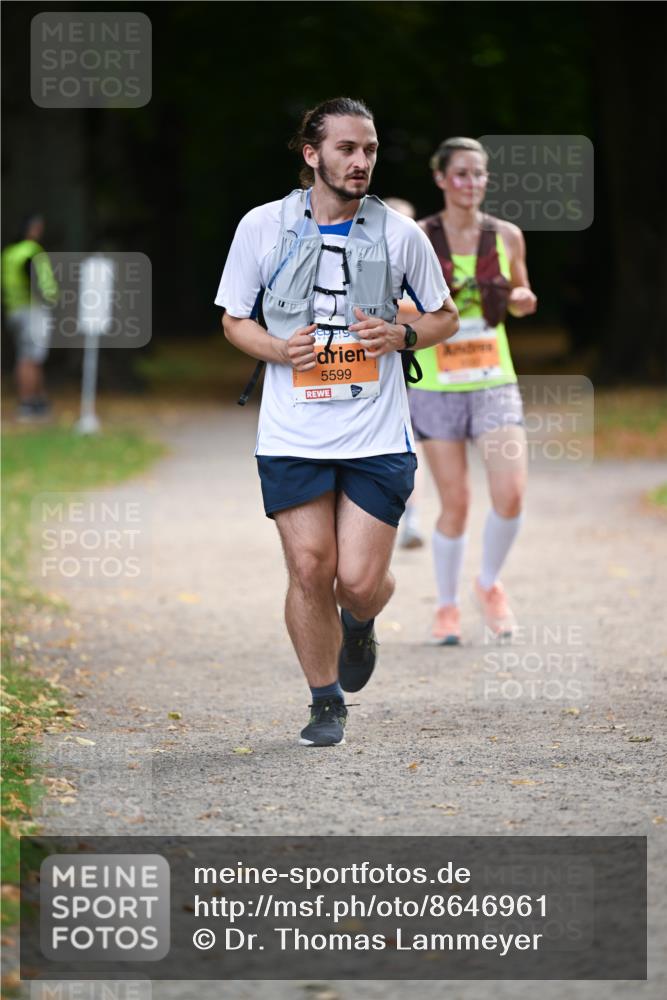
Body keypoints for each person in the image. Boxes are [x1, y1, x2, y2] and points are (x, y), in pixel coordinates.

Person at [215, 98, 458, 747]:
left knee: (356, 581)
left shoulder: (402, 235)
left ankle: (359, 621)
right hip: (292, 434)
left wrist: (401, 334)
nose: (360, 161)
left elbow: (445, 317)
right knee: (308, 568)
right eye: (347, 148)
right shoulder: (261, 227)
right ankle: (325, 702)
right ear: (310, 153)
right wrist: (275, 348)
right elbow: (234, 318)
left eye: (370, 150)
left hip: (376, 436)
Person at [409, 137, 537, 645]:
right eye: (460, 174)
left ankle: (488, 584)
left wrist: (524, 299)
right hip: (436, 384)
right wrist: (429, 315)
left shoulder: (506, 236)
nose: (470, 183)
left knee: (510, 493)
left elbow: (522, 297)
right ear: (440, 179)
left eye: (478, 174)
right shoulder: (417, 237)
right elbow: (392, 304)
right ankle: (446, 608)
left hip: (493, 380)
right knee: (455, 503)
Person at [1, 214, 59, 421]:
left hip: (14, 310)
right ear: (33, 229)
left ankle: (38, 399)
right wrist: (50, 299)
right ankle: (27, 403)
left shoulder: (9, 253)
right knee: (29, 358)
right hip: (32, 310)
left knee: (31, 357)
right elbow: (34, 279)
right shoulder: (31, 252)